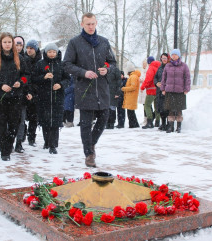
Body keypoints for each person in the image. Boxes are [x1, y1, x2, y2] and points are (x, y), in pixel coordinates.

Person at [63, 12, 116, 167]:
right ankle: (89, 154)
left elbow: (112, 63)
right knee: (86, 123)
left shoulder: (104, 42)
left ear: (96, 23)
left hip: (102, 87)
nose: (91, 27)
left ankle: (90, 144)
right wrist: (83, 72)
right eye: (88, 24)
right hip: (84, 88)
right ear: (82, 24)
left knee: (104, 118)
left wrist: (107, 68)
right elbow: (67, 64)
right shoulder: (75, 43)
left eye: (93, 23)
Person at [0, 32, 28, 161]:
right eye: (5, 42)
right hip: (1, 97)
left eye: (10, 42)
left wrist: (20, 82)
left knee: (14, 124)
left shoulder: (19, 59)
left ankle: (9, 145)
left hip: (16, 97)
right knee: (2, 124)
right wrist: (0, 85)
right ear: (1, 43)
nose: (7, 44)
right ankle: (4, 151)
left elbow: (26, 76)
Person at [33, 43, 70, 154]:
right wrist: (43, 77)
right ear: (46, 53)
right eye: (50, 52)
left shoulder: (62, 64)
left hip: (57, 98)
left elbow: (67, 79)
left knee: (55, 121)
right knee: (45, 121)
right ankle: (47, 141)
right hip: (43, 97)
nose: (52, 54)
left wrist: (61, 85)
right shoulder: (40, 64)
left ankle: (53, 145)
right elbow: (34, 79)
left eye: (54, 52)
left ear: (57, 52)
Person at [161, 49, 190, 133]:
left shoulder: (184, 66)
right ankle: (170, 126)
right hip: (169, 91)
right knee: (170, 109)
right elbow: (164, 78)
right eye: (172, 54)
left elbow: (187, 78)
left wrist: (186, 88)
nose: (174, 56)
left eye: (175, 54)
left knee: (178, 109)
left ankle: (178, 126)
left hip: (180, 91)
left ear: (179, 56)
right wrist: (163, 88)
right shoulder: (168, 66)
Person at [13, 36, 34, 153]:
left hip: (21, 94)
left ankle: (19, 142)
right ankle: (9, 141)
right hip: (9, 95)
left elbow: (28, 77)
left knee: (21, 120)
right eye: (16, 45)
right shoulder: (5, 58)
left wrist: (28, 91)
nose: (18, 47)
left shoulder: (26, 60)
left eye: (20, 45)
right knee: (10, 120)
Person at [22, 39, 41, 147]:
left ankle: (31, 137)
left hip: (36, 91)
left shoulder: (40, 61)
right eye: (28, 48)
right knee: (23, 116)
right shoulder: (23, 59)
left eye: (31, 48)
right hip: (25, 90)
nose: (29, 50)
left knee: (34, 117)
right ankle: (23, 132)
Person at [140, 56, 161, 129]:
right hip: (158, 89)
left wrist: (142, 86)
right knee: (156, 106)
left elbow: (148, 79)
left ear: (149, 62)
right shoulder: (159, 67)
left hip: (151, 90)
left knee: (147, 105)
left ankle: (149, 122)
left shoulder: (151, 68)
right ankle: (157, 122)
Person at [154, 53, 170, 131]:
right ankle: (163, 123)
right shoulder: (160, 68)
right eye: (162, 58)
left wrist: (165, 85)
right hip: (159, 91)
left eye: (165, 58)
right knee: (160, 108)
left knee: (166, 108)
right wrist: (157, 83)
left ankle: (168, 124)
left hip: (167, 91)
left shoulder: (169, 67)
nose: (164, 60)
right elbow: (155, 77)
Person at [121, 62, 140, 128]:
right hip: (131, 96)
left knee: (130, 112)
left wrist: (123, 88)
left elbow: (133, 87)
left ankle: (133, 125)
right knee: (131, 112)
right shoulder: (133, 76)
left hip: (131, 96)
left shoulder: (133, 77)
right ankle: (134, 124)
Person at [138, 59, 148, 126]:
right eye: (143, 64)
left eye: (145, 63)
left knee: (147, 105)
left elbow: (148, 79)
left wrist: (143, 80)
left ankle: (147, 119)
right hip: (142, 90)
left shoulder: (148, 70)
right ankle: (145, 119)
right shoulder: (141, 71)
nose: (143, 65)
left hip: (146, 90)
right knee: (144, 105)